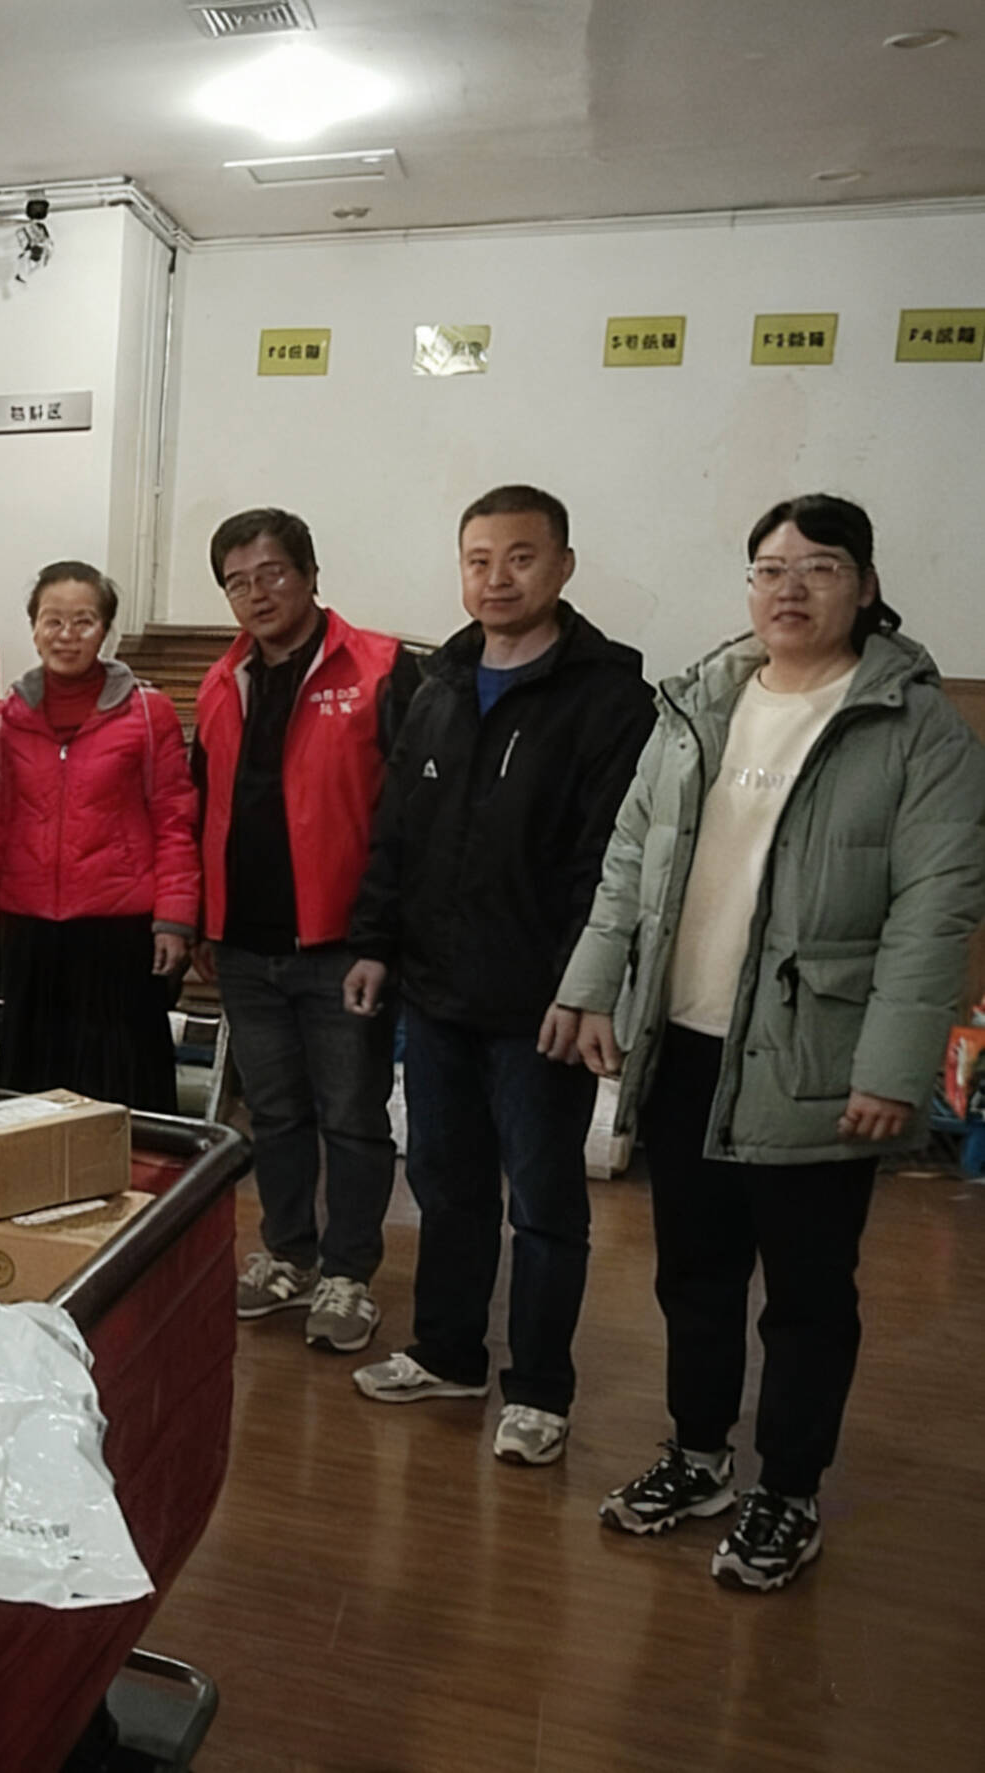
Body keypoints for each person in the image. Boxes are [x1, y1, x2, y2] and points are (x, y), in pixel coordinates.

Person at [554, 494, 985, 1590]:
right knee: (693, 1277)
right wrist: (594, 987)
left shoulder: (917, 727)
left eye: (820, 567)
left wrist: (892, 1068)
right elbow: (629, 856)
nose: (790, 588)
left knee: (806, 1296)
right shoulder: (701, 701)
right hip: (687, 1044)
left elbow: (935, 912)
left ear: (867, 587)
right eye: (770, 568)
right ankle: (698, 1455)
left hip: (817, 1060)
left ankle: (788, 1490)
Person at [344, 485, 655, 1467]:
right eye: (478, 560)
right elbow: (398, 833)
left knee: (547, 1203)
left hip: (541, 1006)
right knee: (444, 1181)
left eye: (520, 557)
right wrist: (375, 943)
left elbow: (609, 863)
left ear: (563, 566)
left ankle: (541, 1389)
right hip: (437, 992)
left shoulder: (609, 698)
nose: (497, 578)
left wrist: (583, 987)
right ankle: (448, 1353)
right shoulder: (437, 684)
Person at [192, 509, 420, 1352]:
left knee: (352, 1116)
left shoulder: (383, 668)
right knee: (275, 1112)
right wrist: (207, 920)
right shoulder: (222, 681)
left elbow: (409, 817)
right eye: (237, 582)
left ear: (312, 573)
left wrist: (381, 939)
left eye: (273, 573)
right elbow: (205, 807)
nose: (257, 593)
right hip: (246, 945)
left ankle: (348, 1272)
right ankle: (287, 1251)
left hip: (343, 948)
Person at [0, 561, 197, 1112]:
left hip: (120, 932)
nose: (67, 635)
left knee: (123, 1092)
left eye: (83, 621)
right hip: (30, 932)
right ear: (34, 627)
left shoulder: (148, 712)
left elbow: (175, 822)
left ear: (105, 629)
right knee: (33, 1099)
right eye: (53, 621)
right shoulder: (7, 718)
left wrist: (175, 919)